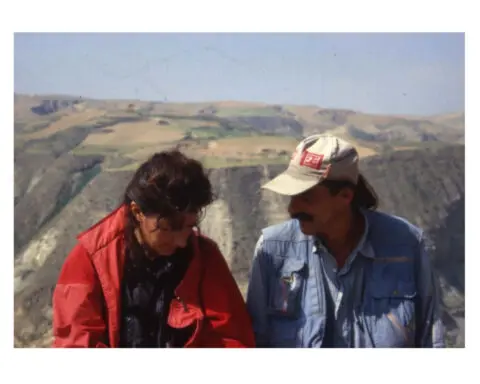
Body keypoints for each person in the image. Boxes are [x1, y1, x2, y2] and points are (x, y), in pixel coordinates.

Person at [246, 134, 445, 348]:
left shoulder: (407, 244)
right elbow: (255, 340)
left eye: (306, 197)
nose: (292, 209)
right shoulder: (272, 249)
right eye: (292, 197)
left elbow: (430, 337)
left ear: (345, 196)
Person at [52, 149, 255, 348]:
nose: (182, 242)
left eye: (190, 227)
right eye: (171, 228)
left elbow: (231, 338)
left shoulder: (205, 257)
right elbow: (76, 344)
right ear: (137, 212)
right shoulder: (91, 259)